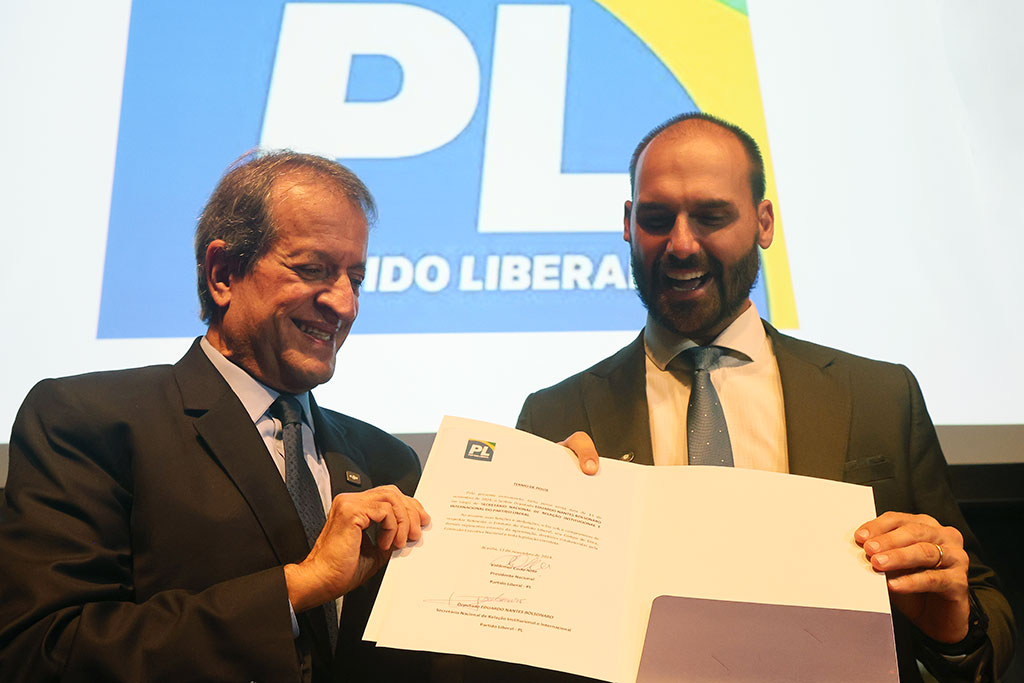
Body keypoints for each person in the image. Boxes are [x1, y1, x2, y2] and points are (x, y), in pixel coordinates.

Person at [517, 113, 1015, 682]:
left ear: (763, 222)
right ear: (629, 224)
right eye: (657, 219)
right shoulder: (555, 417)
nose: (681, 244)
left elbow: (983, 617)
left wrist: (952, 626)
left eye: (711, 217)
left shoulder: (879, 397)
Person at [0, 151, 431, 682]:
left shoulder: (389, 461)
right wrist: (299, 585)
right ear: (223, 273)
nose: (345, 305)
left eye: (356, 279)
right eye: (313, 270)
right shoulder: (90, 421)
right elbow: (44, 652)